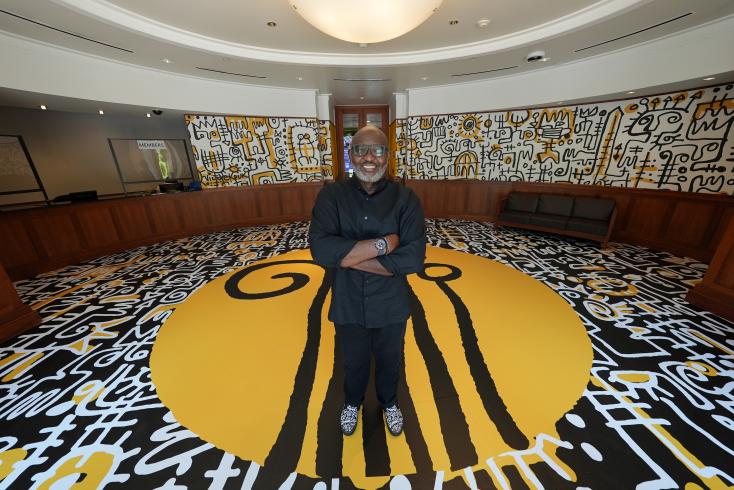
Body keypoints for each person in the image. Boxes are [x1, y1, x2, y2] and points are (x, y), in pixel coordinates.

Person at [309, 125, 426, 436]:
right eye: (361, 150)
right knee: (354, 361)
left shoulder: (406, 198)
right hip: (348, 302)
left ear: (388, 156)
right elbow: (321, 250)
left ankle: (389, 402)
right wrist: (384, 245)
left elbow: (413, 259)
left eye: (377, 150)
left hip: (391, 305)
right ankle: (352, 402)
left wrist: (348, 257)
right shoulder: (331, 195)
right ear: (351, 154)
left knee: (390, 359)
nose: (369, 157)